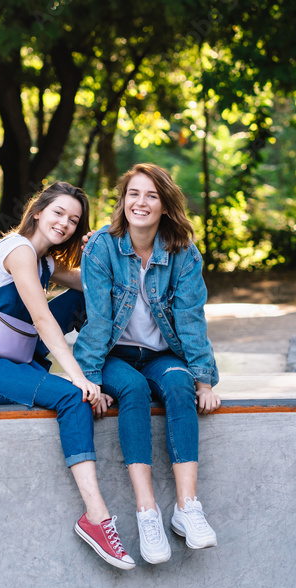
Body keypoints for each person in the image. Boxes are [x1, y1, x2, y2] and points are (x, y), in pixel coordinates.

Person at [0, 181, 133, 570]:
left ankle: (112, 370)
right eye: (58, 213)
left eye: (74, 220)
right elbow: (42, 318)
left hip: (13, 357)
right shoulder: (17, 251)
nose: (65, 224)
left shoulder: (47, 262)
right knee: (70, 398)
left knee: (85, 297)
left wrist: (110, 254)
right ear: (38, 212)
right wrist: (79, 380)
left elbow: (99, 286)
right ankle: (96, 518)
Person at [74, 163, 221, 566]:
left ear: (165, 206)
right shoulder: (101, 247)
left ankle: (187, 508)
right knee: (134, 391)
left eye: (151, 195)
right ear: (123, 201)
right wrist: (89, 382)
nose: (141, 202)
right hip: (115, 356)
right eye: (133, 194)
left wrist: (204, 381)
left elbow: (191, 318)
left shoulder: (183, 253)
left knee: (179, 385)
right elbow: (98, 321)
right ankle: (147, 512)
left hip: (162, 354)